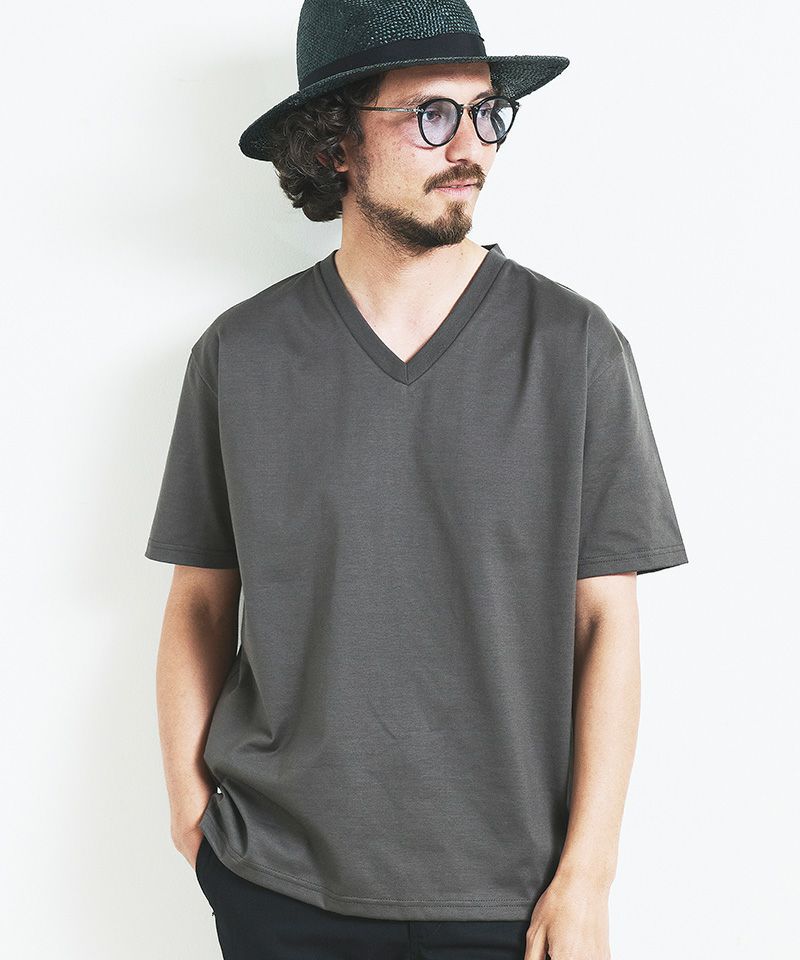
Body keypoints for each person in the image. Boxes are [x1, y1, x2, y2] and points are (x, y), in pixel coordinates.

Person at [144, 1, 689, 958]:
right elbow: (199, 600)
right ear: (335, 144)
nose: (470, 146)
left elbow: (607, 623)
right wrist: (193, 820)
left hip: (513, 895)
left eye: (486, 112)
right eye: (431, 115)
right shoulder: (241, 354)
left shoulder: (573, 348)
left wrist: (589, 877)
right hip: (278, 883)